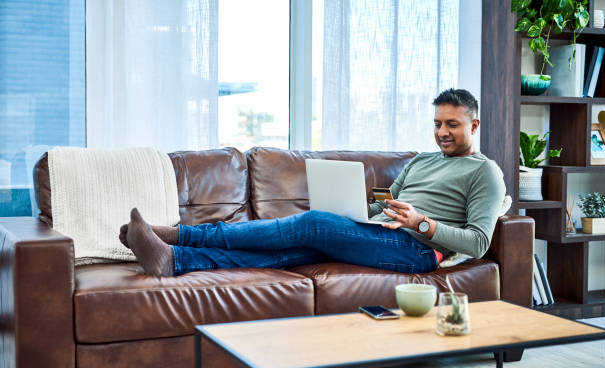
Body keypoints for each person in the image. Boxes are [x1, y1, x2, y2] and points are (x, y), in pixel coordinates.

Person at [119, 88, 505, 277]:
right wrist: (359, 208)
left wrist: (420, 222)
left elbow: (478, 241)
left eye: (452, 125)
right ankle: (175, 260)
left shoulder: (484, 172)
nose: (442, 132)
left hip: (417, 250)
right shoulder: (421, 161)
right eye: (437, 123)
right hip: (382, 232)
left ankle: (180, 234)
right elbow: (384, 204)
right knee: (283, 256)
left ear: (473, 124)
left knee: (313, 223)